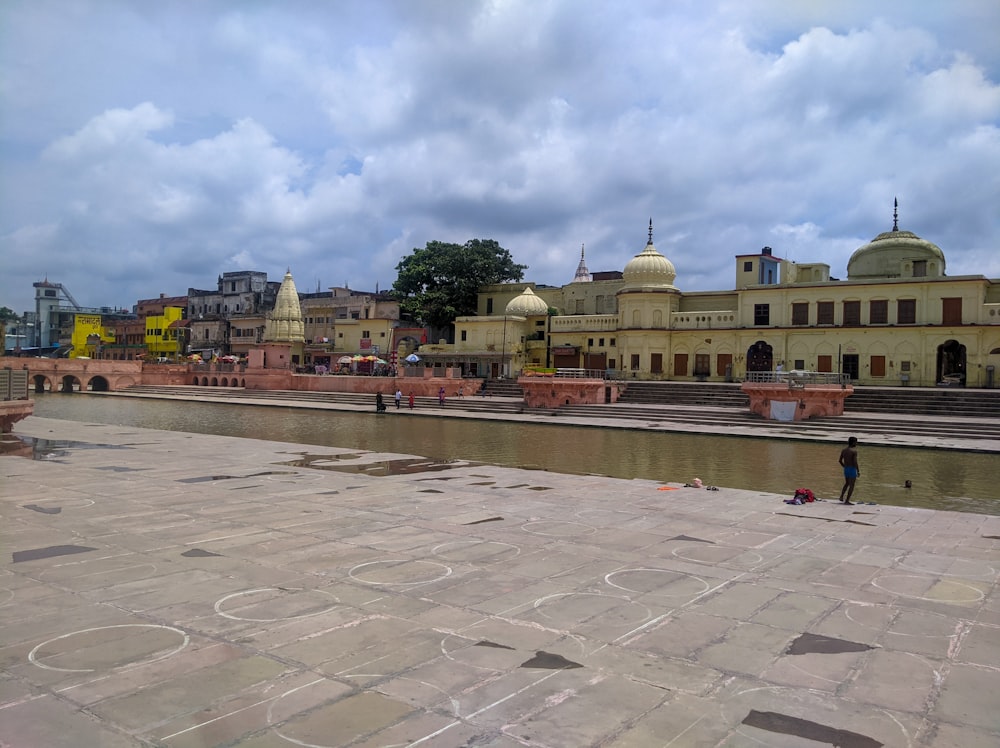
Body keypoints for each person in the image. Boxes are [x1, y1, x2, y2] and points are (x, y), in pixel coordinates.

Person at [838, 436, 860, 505]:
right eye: (856, 442)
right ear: (853, 442)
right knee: (852, 485)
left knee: (847, 483)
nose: (856, 443)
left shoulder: (844, 450)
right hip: (852, 469)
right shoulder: (854, 451)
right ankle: (847, 500)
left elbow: (840, 461)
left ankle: (841, 496)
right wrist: (858, 470)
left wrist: (844, 466)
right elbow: (855, 462)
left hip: (846, 469)